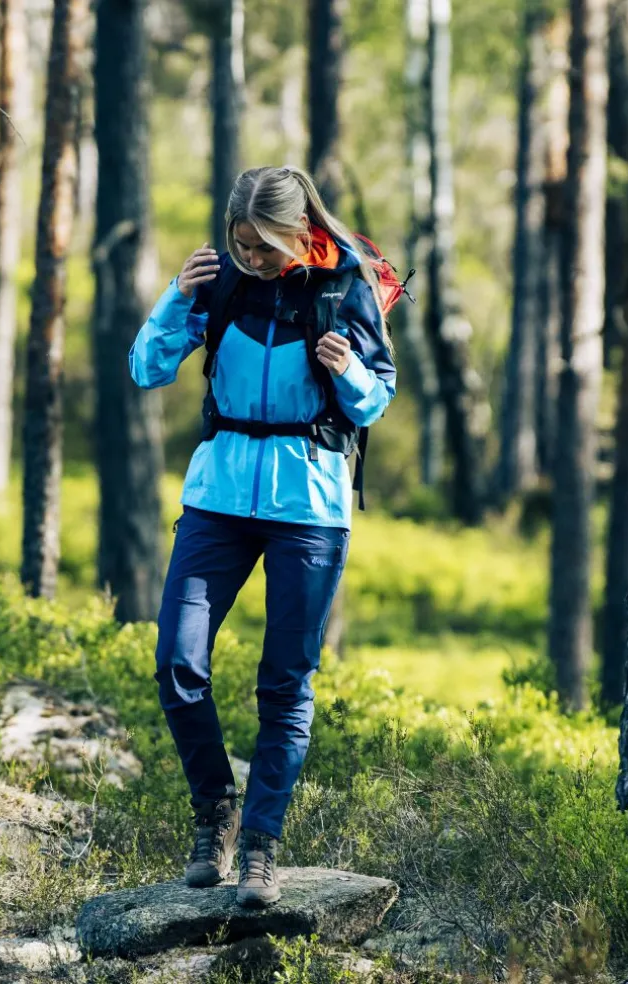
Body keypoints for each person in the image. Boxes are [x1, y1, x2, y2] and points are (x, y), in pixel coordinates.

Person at [127, 165, 396, 907]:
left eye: (265, 247)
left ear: (298, 232)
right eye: (240, 244)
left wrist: (349, 373)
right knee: (177, 662)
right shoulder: (216, 284)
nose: (252, 259)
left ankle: (260, 849)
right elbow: (146, 370)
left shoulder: (344, 287)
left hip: (309, 508)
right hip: (216, 499)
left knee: (284, 683)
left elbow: (376, 401)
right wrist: (175, 296)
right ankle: (216, 811)